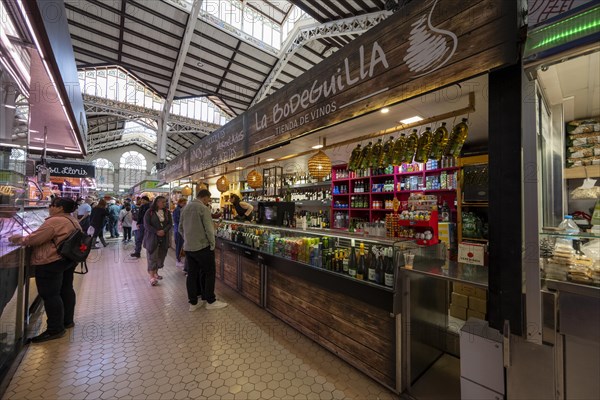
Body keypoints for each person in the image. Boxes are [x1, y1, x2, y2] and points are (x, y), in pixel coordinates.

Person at [9, 197, 81, 343]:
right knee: (66, 289)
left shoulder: (54, 221)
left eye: (52, 205)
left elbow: (34, 239)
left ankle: (55, 329)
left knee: (50, 295)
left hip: (51, 260)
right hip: (68, 259)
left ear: (60, 208)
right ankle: (67, 321)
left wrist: (16, 239)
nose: (50, 207)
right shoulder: (73, 220)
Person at [180, 189, 227, 311]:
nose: (208, 202)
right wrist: (212, 244)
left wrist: (188, 239)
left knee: (192, 274)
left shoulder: (185, 208)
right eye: (208, 200)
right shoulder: (203, 209)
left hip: (189, 247)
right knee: (209, 272)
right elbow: (209, 229)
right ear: (205, 198)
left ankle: (193, 303)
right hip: (202, 246)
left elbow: (180, 228)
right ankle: (210, 301)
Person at [143, 196, 173, 286]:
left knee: (161, 256)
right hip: (152, 238)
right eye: (163, 202)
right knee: (152, 256)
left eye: (165, 202)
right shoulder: (150, 212)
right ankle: (151, 277)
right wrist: (156, 231)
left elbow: (170, 223)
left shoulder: (167, 212)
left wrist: (164, 231)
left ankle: (156, 272)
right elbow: (146, 225)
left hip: (164, 238)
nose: (164, 204)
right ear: (157, 202)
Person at [172, 197, 187, 268]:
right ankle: (178, 261)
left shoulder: (180, 210)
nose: (185, 205)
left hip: (179, 230)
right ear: (180, 203)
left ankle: (179, 260)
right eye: (184, 203)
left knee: (180, 246)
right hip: (178, 231)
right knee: (179, 245)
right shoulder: (177, 210)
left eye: (185, 203)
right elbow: (176, 220)